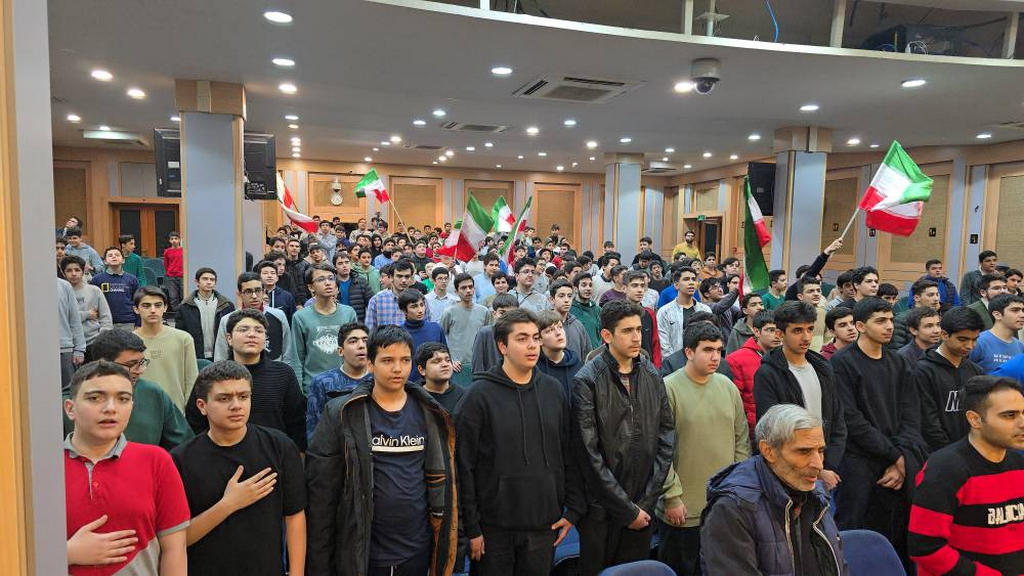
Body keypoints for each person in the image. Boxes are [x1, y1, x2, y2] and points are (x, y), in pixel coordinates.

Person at [305, 326, 458, 575]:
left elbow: (445, 482)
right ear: (370, 364)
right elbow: (322, 492)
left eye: (405, 360)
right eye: (387, 360)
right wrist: (320, 563)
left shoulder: (430, 413)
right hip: (363, 552)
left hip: (417, 550)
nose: (397, 368)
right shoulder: (343, 413)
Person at [457, 309, 584, 574]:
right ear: (502, 346)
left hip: (544, 524)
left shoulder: (553, 390)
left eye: (536, 338)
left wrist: (573, 509)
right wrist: (472, 528)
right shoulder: (478, 397)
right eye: (522, 338)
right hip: (493, 529)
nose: (532, 345)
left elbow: (569, 452)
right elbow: (464, 467)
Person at [172, 360, 306, 576]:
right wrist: (228, 504)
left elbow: (294, 516)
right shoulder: (180, 460)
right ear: (202, 406)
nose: (236, 405)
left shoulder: (280, 446)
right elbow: (177, 538)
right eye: (224, 398)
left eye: (243, 396)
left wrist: (297, 573)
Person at [572, 301, 675, 576]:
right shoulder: (587, 380)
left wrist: (646, 501)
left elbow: (666, 439)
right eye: (627, 331)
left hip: (643, 502)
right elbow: (589, 453)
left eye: (639, 329)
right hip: (601, 509)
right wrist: (626, 510)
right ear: (607, 335)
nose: (636, 337)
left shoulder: (652, 374)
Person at [63, 361, 189, 575]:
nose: (110, 408)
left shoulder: (156, 461)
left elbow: (174, 550)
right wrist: (66, 553)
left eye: (122, 399)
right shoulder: (40, 468)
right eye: (95, 398)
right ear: (70, 408)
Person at [831, 298, 928, 570]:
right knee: (855, 532)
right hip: (859, 461)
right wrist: (896, 456)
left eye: (891, 320)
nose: (889, 326)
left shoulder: (898, 363)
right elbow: (851, 419)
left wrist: (902, 457)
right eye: (881, 321)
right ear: (861, 326)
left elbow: (911, 414)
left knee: (898, 530)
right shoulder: (842, 363)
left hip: (898, 460)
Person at [701, 404, 849, 576]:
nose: (818, 464)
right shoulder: (733, 508)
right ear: (768, 451)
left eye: (820, 451)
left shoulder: (816, 495)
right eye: (804, 451)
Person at [657, 322, 749, 575]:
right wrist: (671, 497)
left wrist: (737, 488)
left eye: (719, 350)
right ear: (689, 352)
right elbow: (659, 450)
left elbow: (741, 440)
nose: (715, 357)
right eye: (708, 350)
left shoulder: (727, 386)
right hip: (683, 508)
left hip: (724, 504)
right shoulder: (668, 388)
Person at [909, 376, 1024, 574]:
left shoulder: (1019, 464)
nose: (1022, 423)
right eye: (1009, 415)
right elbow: (925, 548)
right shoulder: (945, 469)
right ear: (975, 419)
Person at [753, 301, 847, 492]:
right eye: (797, 331)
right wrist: (816, 469)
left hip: (826, 468)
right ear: (780, 334)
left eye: (810, 329)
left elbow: (837, 420)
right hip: (789, 473)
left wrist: (826, 465)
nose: (806, 337)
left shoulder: (822, 368)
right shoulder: (768, 374)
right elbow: (773, 432)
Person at [185, 309, 306, 448]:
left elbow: (297, 423)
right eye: (243, 330)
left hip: (274, 453)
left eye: (259, 330)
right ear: (229, 338)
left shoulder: (284, 374)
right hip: (221, 454)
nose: (251, 334)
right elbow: (195, 422)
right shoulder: (211, 375)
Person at [64, 329, 191, 449]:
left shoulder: (153, 393)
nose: (140, 370)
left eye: (142, 363)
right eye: (131, 365)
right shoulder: (67, 400)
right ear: (103, 363)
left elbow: (183, 445)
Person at [915, 306, 985, 451]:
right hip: (937, 453)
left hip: (972, 449)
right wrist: (949, 453)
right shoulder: (923, 371)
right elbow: (928, 422)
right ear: (944, 335)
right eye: (963, 339)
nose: (970, 346)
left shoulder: (976, 371)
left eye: (974, 340)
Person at [213, 272, 301, 379]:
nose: (254, 296)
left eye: (258, 290)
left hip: (274, 376)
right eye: (248, 291)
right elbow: (220, 357)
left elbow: (288, 353)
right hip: (237, 377)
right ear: (239, 294)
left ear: (264, 292)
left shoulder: (279, 316)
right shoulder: (227, 320)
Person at [292, 263, 358, 394]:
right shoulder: (300, 317)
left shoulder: (349, 313)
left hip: (346, 386)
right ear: (311, 287)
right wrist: (299, 391)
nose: (328, 283)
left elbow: (355, 351)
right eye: (321, 279)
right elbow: (297, 358)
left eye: (331, 278)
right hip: (314, 388)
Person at [133, 286, 198, 412]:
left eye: (158, 305)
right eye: (146, 306)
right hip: (140, 412)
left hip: (177, 412)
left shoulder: (183, 339)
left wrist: (189, 411)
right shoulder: (128, 342)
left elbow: (192, 380)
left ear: (165, 307)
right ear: (136, 309)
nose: (153, 310)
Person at [725, 310, 780, 439]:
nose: (777, 335)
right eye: (770, 330)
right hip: (752, 431)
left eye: (779, 331)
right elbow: (735, 403)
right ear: (756, 331)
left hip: (780, 427)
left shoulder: (786, 356)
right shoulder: (736, 360)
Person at [440, 272, 491, 387]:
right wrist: (449, 359)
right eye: (463, 288)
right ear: (456, 291)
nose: (468, 290)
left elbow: (488, 339)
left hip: (480, 364)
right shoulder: (449, 313)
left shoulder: (484, 311)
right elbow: (440, 339)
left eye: (470, 287)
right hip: (458, 365)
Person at [175, 267, 236, 361]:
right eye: (205, 279)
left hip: (221, 354)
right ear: (196, 282)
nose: (209, 282)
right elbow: (180, 334)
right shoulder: (184, 307)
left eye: (212, 280)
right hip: (194, 355)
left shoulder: (227, 305)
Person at [656, 267, 711, 359]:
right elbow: (663, 344)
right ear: (676, 285)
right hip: (674, 362)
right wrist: (674, 363)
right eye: (686, 279)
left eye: (694, 279)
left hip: (701, 361)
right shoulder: (665, 311)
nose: (691, 282)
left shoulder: (705, 310)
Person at [535, 310, 584, 403]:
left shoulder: (578, 365)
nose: (558, 333)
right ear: (539, 340)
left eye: (560, 327)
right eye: (550, 330)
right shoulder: (534, 368)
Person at [62, 255, 113, 345]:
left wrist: (102, 339)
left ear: (83, 272)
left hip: (94, 342)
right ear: (63, 273)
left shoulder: (95, 291)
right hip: (68, 343)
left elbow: (106, 318)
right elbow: (64, 318)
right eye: (69, 270)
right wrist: (87, 314)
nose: (73, 273)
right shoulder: (60, 293)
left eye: (77, 270)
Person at [398, 289, 447, 382]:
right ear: (404, 310)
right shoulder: (399, 333)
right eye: (414, 306)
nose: (420, 310)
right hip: (409, 384)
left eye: (422, 305)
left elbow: (445, 357)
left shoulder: (436, 328)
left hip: (436, 383)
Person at [969, 293, 1024, 373]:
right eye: (1015, 310)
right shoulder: (979, 341)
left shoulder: (1020, 346)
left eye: (1023, 310)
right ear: (997, 315)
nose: (1022, 315)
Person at [91, 246, 141, 330]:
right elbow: (92, 302)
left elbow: (137, 302)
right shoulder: (97, 279)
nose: (114, 257)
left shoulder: (132, 279)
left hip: (128, 322)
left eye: (117, 255)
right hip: (104, 322)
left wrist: (138, 322)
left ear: (123, 260)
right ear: (105, 261)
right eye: (110, 255)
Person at [470, 293, 518, 377]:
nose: (506, 317)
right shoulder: (485, 333)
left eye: (511, 313)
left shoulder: (519, 335)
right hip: (489, 381)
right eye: (502, 313)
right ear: (494, 313)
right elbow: (477, 365)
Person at [365, 259, 419, 331]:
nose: (403, 280)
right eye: (399, 276)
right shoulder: (377, 300)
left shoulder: (419, 300)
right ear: (391, 277)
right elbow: (370, 330)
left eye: (407, 276)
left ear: (411, 278)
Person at [889, 278, 942, 351]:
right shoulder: (901, 320)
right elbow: (895, 351)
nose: (936, 299)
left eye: (937, 294)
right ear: (917, 298)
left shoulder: (937, 317)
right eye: (930, 295)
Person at [547, 278, 593, 361]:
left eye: (569, 296)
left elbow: (588, 354)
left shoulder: (578, 325)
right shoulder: (545, 325)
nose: (566, 300)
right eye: (561, 296)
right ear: (552, 299)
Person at [416, 342, 464, 414]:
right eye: (436, 361)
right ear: (422, 370)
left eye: (448, 360)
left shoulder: (464, 397)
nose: (445, 364)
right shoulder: (412, 397)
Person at [58, 276, 87, 390]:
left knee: (68, 392)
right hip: (32, 350)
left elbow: (74, 319)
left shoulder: (64, 285)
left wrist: (79, 348)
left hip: (64, 349)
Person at [331, 251, 374, 324]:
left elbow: (372, 304)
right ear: (335, 267)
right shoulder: (331, 283)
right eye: (340, 263)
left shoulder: (361, 281)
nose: (344, 265)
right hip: (337, 323)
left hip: (357, 324)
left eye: (347, 262)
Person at [794, 275, 828, 352]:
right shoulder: (793, 314)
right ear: (800, 296)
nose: (816, 294)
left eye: (818, 290)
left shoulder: (823, 313)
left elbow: (827, 338)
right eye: (810, 291)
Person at [571, 272, 602, 349]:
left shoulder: (597, 309)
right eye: (584, 285)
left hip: (596, 353)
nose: (588, 288)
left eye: (590, 285)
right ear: (575, 289)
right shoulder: (570, 309)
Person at [163, 231, 185, 313]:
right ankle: (176, 313)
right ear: (169, 241)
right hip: (171, 277)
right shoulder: (167, 251)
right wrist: (169, 272)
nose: (174, 240)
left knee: (183, 295)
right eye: (172, 239)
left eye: (176, 238)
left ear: (179, 240)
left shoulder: (184, 250)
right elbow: (166, 264)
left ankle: (184, 312)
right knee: (173, 297)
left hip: (182, 276)